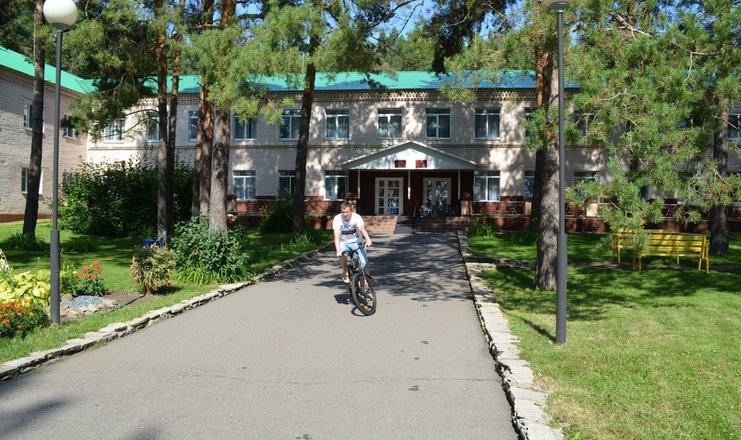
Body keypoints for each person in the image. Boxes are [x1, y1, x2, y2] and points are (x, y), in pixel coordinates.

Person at [333, 201, 373, 284]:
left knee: (364, 263)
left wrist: (368, 239)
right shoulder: (337, 219)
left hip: (357, 243)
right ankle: (345, 271)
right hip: (344, 243)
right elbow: (336, 236)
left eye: (347, 212)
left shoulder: (356, 217)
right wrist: (338, 249)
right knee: (341, 254)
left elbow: (362, 229)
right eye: (343, 212)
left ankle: (366, 281)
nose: (345, 214)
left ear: (351, 211)